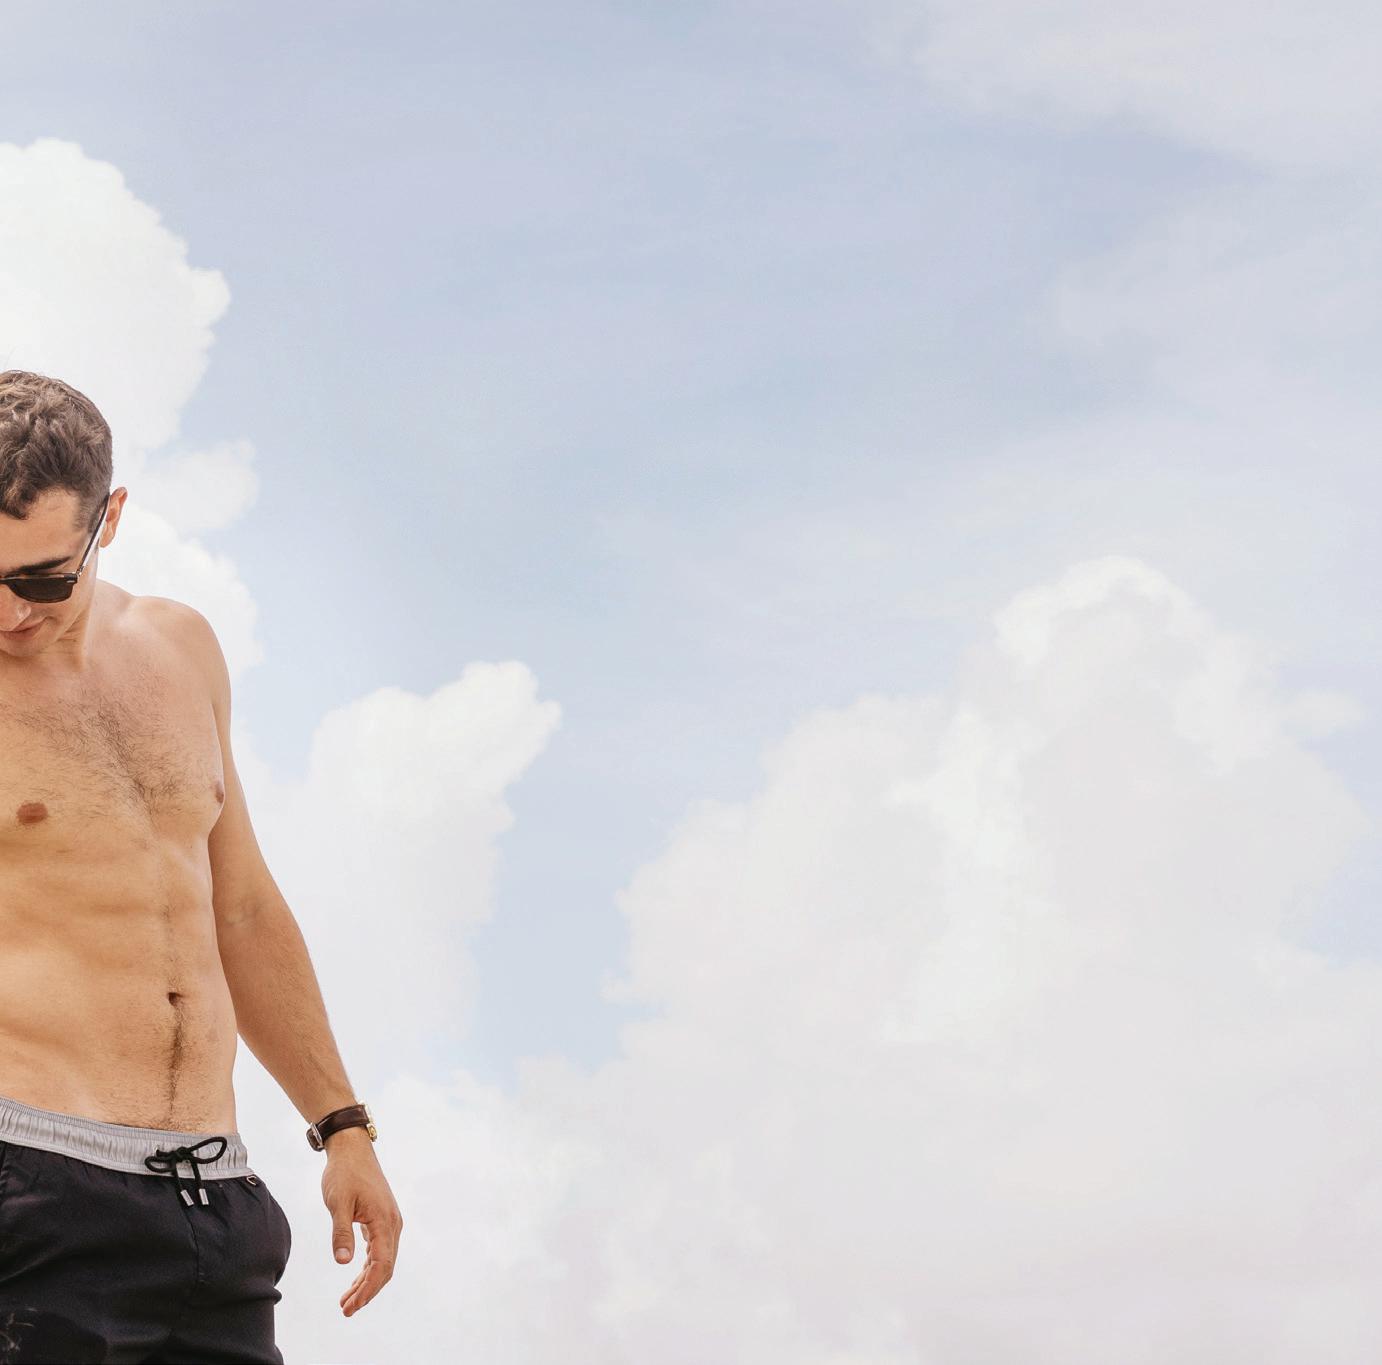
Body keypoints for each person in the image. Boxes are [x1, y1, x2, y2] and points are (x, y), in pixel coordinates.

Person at [0, 370, 402, 1361]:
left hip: (214, 1207)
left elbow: (243, 909)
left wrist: (342, 1124)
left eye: (41, 580)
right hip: (28, 1185)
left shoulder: (180, 649)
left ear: (110, 519)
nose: (8, 613)